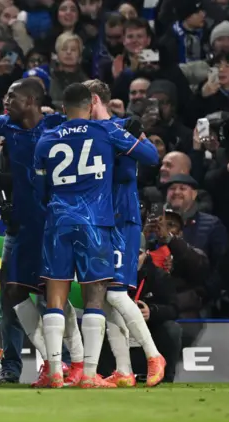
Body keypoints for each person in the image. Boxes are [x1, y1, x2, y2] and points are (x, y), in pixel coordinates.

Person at [34, 83, 158, 388]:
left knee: (55, 298)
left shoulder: (46, 139)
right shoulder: (105, 132)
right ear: (91, 105)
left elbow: (39, 190)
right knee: (95, 297)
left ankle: (53, 372)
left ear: (63, 108)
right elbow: (150, 156)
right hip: (95, 223)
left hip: (58, 221)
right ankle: (89, 375)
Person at [0, 79, 84, 388]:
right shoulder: (7, 126)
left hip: (53, 227)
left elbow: (92, 123)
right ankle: (18, 366)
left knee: (53, 297)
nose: (6, 100)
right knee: (10, 299)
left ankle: (65, 362)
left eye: (13, 96)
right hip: (20, 228)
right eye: (6, 94)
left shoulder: (57, 125)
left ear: (33, 100)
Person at [83, 79, 166, 388]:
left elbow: (152, 157)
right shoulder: (84, 131)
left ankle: (154, 355)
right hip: (97, 219)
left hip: (121, 218)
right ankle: (124, 370)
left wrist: (122, 132)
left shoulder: (120, 127)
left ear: (93, 100)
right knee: (104, 298)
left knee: (116, 293)